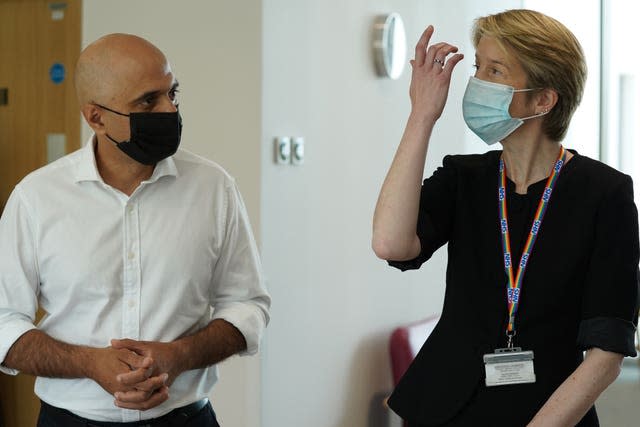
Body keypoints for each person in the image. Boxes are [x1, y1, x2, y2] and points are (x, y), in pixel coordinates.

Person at [372, 9, 639, 427]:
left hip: (548, 413)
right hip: (445, 407)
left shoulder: (605, 194)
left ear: (543, 100)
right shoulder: (465, 177)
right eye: (478, 67)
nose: (477, 82)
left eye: (495, 71)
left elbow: (607, 353)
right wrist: (421, 115)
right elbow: (390, 243)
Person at [0, 34, 270, 426]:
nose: (169, 110)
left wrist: (181, 356)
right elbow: (3, 321)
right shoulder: (36, 198)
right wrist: (89, 364)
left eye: (172, 93)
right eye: (148, 101)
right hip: (70, 419)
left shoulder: (214, 188)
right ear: (96, 117)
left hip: (187, 418)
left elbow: (249, 305)